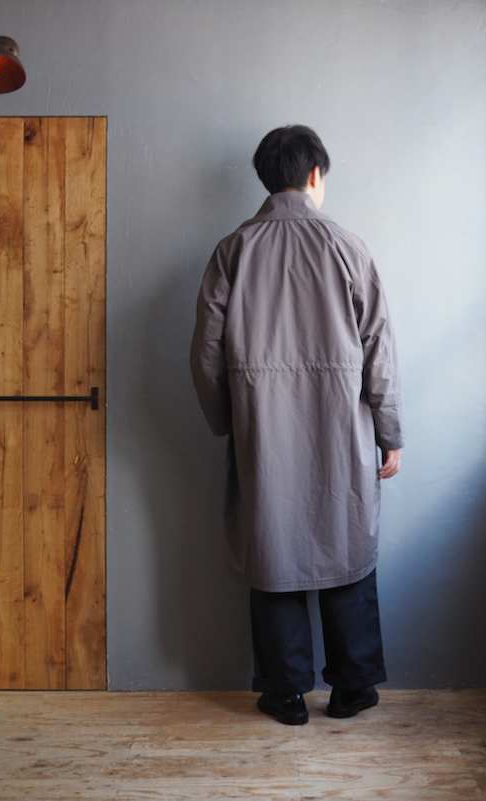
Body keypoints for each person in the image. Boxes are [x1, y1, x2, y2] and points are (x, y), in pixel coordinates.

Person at [190, 125, 405, 725]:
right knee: (347, 545)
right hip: (343, 431)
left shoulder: (233, 249)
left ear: (267, 177)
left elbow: (205, 353)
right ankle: (353, 686)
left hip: (264, 432)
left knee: (272, 551)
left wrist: (228, 421)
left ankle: (284, 691)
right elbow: (380, 350)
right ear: (315, 175)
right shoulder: (347, 246)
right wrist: (389, 432)